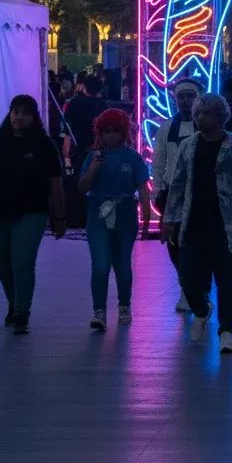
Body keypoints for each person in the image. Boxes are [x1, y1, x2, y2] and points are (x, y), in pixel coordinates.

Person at [164, 93, 232, 353]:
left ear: (220, 116)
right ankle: (202, 307)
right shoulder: (189, 146)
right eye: (198, 113)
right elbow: (178, 183)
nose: (200, 118)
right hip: (193, 222)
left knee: (227, 279)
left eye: (206, 113)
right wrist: (170, 219)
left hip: (225, 224)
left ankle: (227, 330)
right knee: (188, 276)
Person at [0, 95, 66, 334]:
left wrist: (60, 218)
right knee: (1, 262)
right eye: (14, 111)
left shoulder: (43, 144)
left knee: (22, 261)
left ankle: (22, 312)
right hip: (1, 211)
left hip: (33, 211)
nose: (18, 117)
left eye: (24, 113)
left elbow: (55, 183)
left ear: (33, 117)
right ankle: (13, 302)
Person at [79, 109, 151, 331]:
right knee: (100, 265)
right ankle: (99, 311)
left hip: (125, 213)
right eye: (106, 131)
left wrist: (146, 218)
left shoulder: (133, 158)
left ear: (124, 132)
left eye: (115, 131)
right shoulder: (94, 157)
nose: (110, 136)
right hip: (98, 213)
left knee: (122, 264)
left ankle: (124, 306)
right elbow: (82, 187)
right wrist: (92, 171)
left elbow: (143, 189)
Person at [151, 79, 202, 311]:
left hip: (201, 192)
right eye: (182, 96)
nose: (186, 101)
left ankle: (195, 288)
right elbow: (159, 160)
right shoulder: (166, 128)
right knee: (174, 243)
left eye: (190, 96)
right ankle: (187, 286)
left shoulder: (206, 128)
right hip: (173, 192)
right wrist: (158, 189)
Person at [61, 74, 107, 228]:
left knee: (77, 183)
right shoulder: (102, 105)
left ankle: (76, 219)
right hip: (97, 149)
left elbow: (67, 131)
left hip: (78, 148)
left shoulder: (74, 103)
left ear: (84, 87)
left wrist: (66, 155)